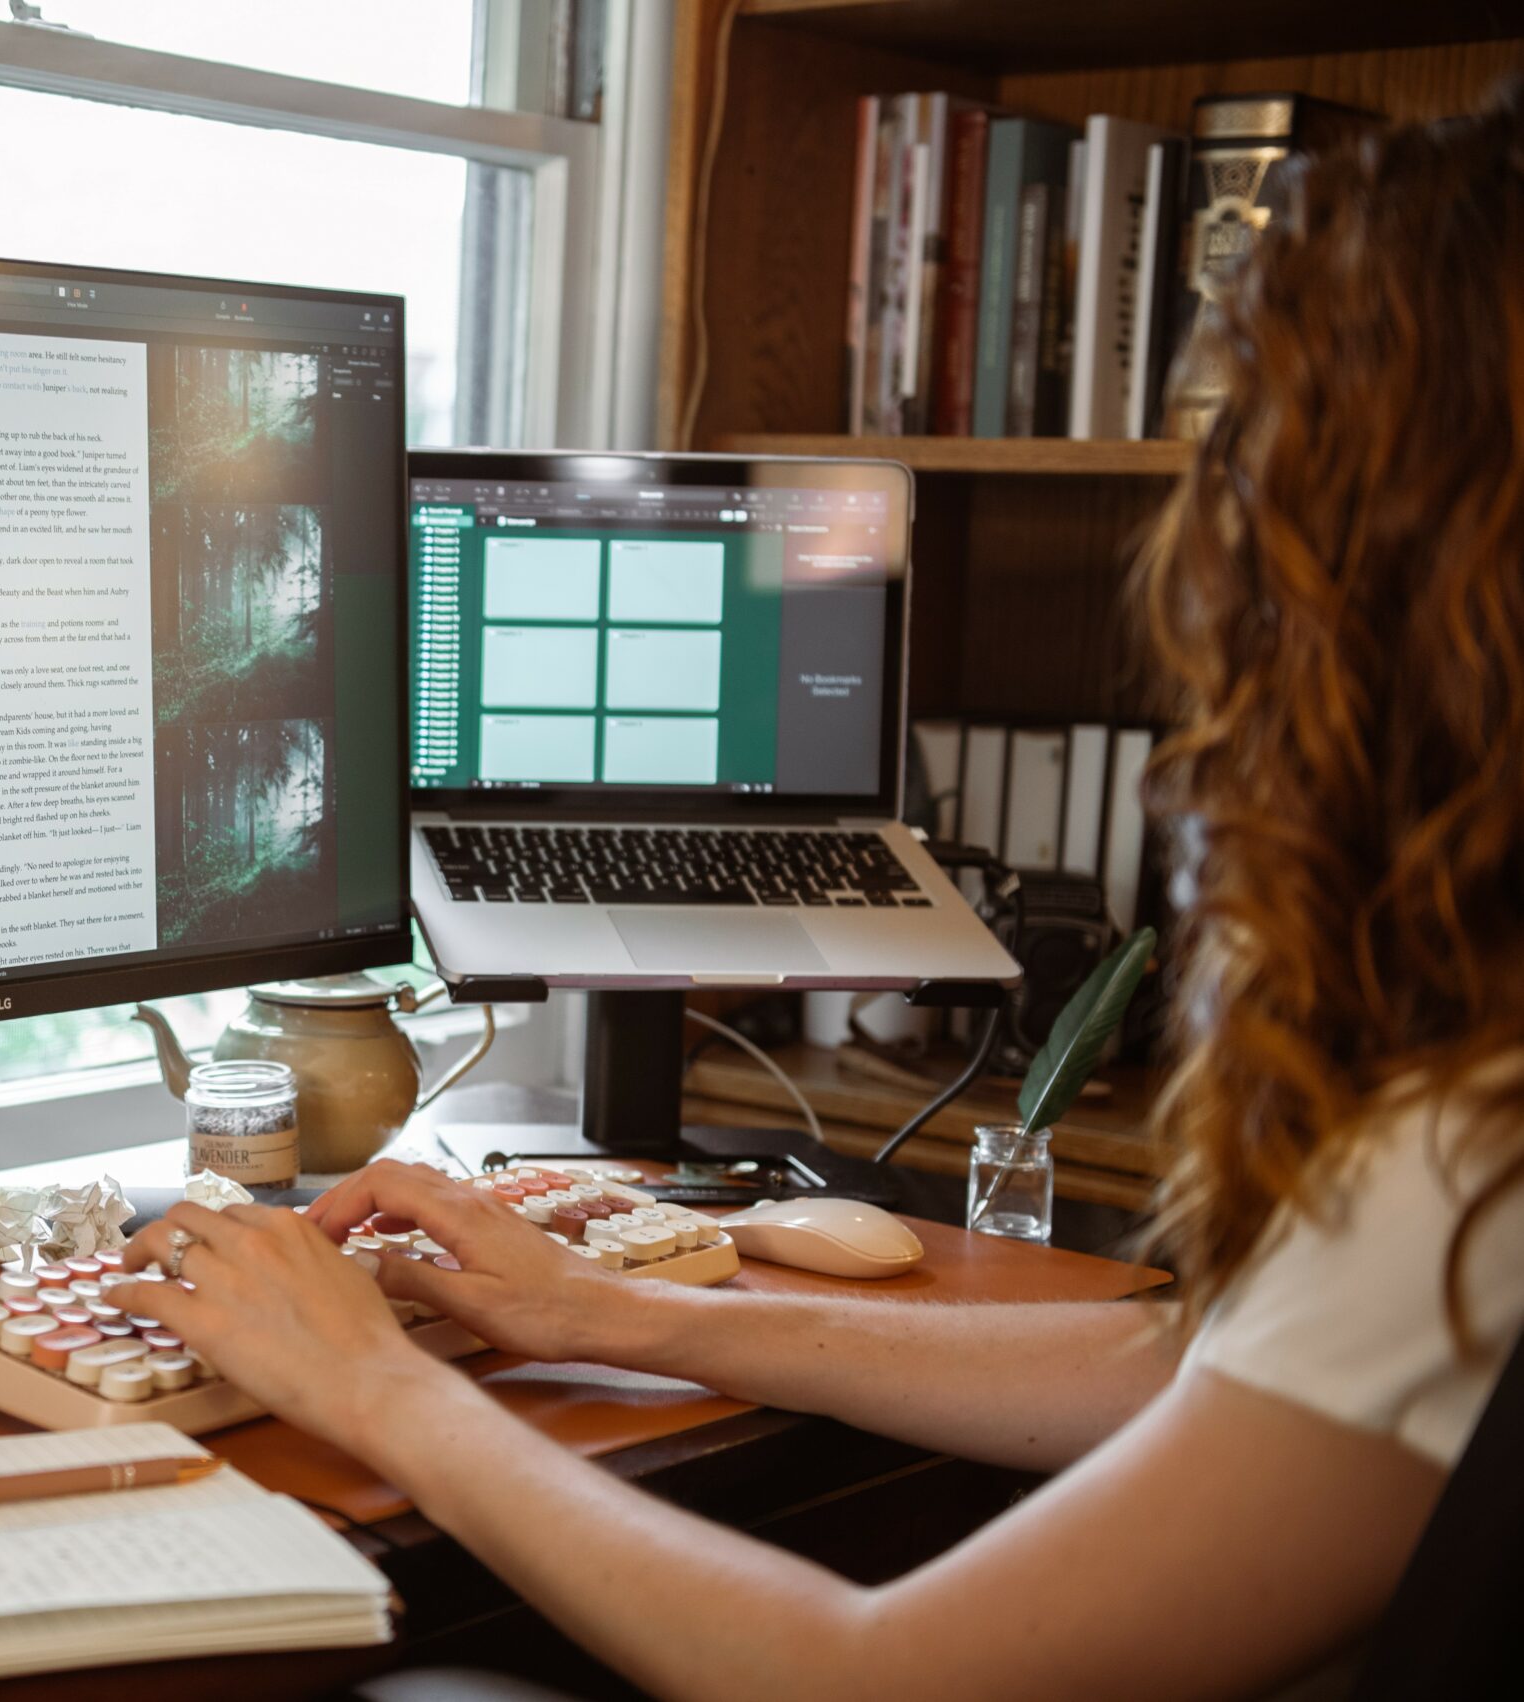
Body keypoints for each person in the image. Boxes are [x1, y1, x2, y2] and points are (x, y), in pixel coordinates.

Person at [121, 89, 1524, 1701]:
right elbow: (1198, 1373)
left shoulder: (1459, 1155)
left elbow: (867, 1675)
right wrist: (623, 1313)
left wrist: (377, 1387)